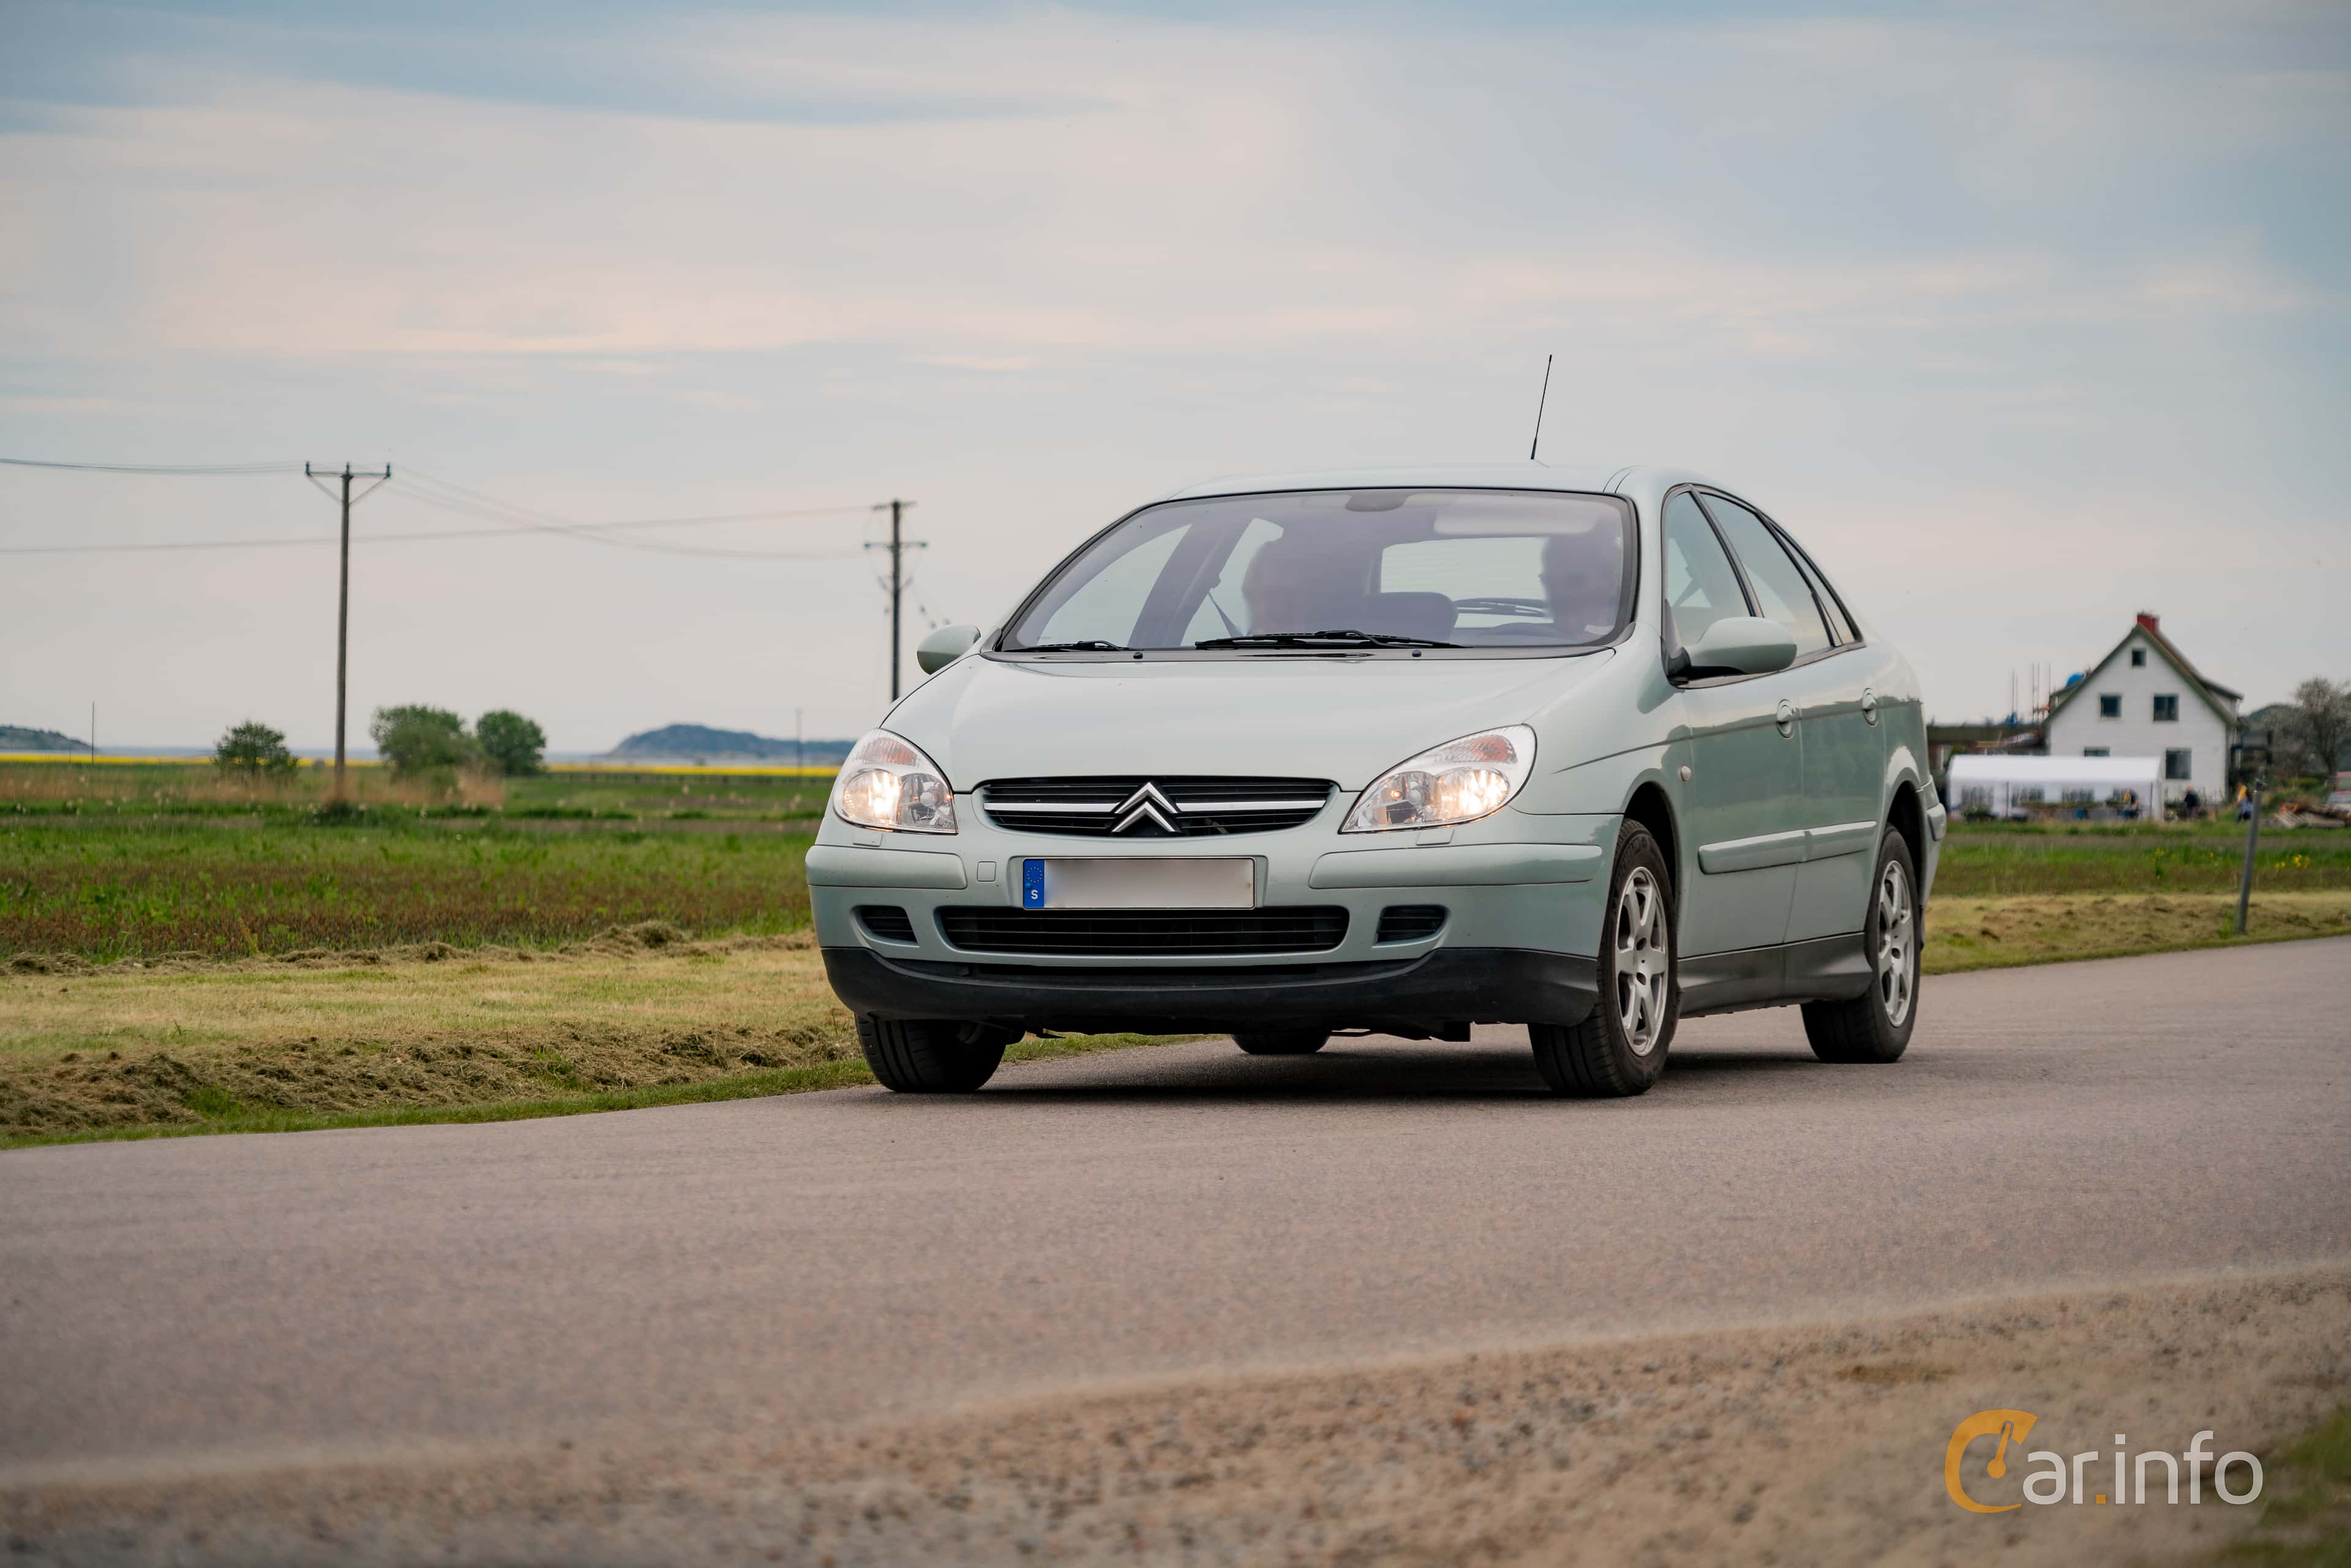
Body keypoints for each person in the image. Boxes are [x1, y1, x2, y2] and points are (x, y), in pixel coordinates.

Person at [1540, 525, 1624, 640]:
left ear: (1609, 585)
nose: (1559, 592)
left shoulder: (1629, 644)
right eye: (1551, 581)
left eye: (1573, 582)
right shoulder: (1522, 639)